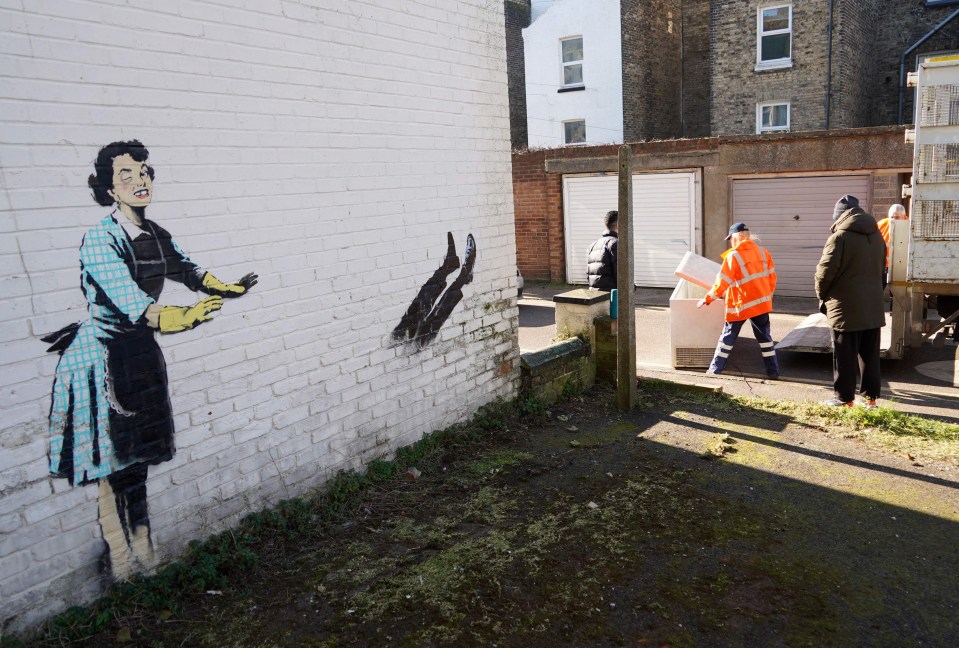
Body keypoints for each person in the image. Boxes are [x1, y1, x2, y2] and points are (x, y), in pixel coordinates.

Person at [43, 140, 257, 579]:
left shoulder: (155, 233)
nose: (140, 181)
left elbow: (188, 269)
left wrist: (224, 287)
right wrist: (189, 317)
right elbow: (136, 305)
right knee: (110, 463)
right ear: (108, 188)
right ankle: (120, 557)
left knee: (137, 458)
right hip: (101, 361)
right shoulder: (100, 239)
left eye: (144, 172)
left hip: (140, 357)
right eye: (126, 175)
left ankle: (145, 548)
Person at [814, 195, 886, 409]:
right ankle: (871, 399)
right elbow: (882, 270)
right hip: (872, 306)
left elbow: (824, 273)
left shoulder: (839, 237)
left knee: (844, 355)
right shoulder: (877, 236)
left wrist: (822, 296)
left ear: (839, 216)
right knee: (870, 355)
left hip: (845, 307)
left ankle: (844, 399)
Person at [697, 222, 780, 379]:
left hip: (740, 305)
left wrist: (708, 299)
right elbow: (772, 278)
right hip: (761, 304)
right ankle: (773, 372)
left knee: (727, 339)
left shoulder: (733, 256)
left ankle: (714, 371)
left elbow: (722, 282)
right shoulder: (763, 253)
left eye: (730, 239)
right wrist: (766, 295)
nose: (730, 242)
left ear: (735, 238)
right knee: (765, 340)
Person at [876, 204, 908, 285]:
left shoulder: (910, 227)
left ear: (904, 217)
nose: (893, 220)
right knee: (878, 288)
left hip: (901, 267)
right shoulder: (881, 225)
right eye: (891, 217)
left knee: (897, 292)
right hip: (883, 265)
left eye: (897, 217)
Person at [586, 210, 618, 290]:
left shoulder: (593, 245)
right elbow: (621, 273)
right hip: (612, 297)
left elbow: (588, 274)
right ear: (618, 225)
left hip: (595, 296)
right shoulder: (615, 243)